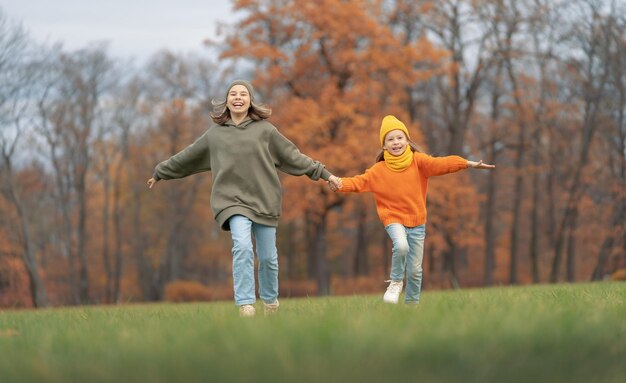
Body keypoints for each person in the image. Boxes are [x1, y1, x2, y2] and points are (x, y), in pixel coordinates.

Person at [147, 80, 341, 316]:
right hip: (231, 201)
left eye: (243, 94)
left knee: (268, 258)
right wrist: (160, 172)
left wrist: (324, 173)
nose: (238, 97)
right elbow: (187, 156)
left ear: (250, 100)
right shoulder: (215, 135)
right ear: (226, 101)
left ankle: (270, 302)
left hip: (264, 200)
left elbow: (294, 156)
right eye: (233, 94)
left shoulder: (266, 131)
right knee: (242, 246)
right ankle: (245, 304)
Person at [328, 115, 494, 305]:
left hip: (417, 223)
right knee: (401, 246)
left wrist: (468, 163)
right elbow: (358, 182)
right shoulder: (378, 170)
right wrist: (339, 183)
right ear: (384, 146)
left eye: (399, 137)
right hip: (393, 218)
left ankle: (411, 308)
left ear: (407, 140)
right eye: (390, 139)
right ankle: (396, 281)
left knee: (415, 271)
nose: (396, 142)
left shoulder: (419, 162)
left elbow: (442, 164)